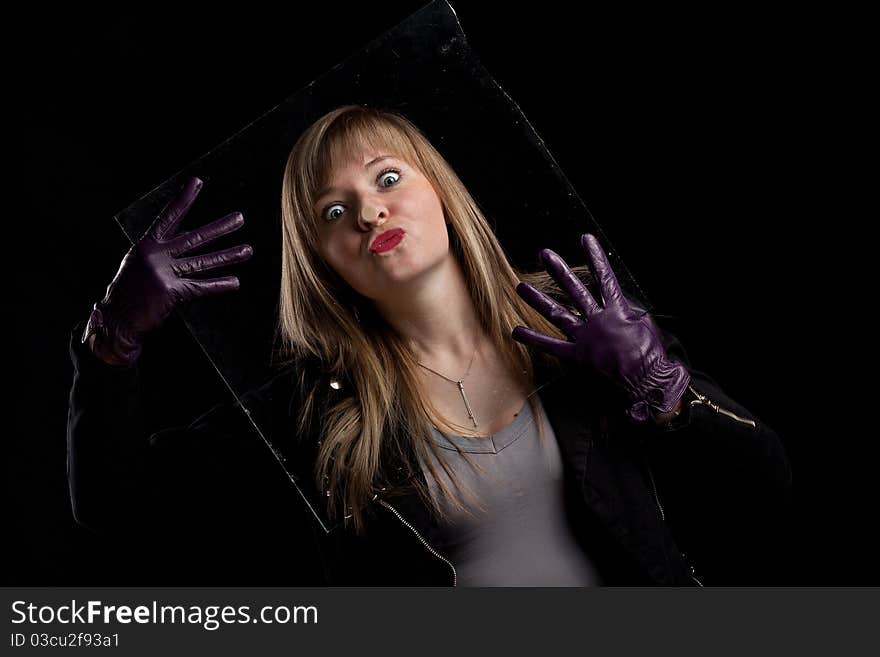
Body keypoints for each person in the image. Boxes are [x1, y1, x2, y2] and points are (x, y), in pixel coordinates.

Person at [67, 105, 792, 586]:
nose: (369, 210)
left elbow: (765, 483)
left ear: (439, 189)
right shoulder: (318, 407)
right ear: (320, 257)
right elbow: (114, 509)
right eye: (334, 210)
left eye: (387, 177)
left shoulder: (580, 322)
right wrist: (111, 341)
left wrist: (665, 390)